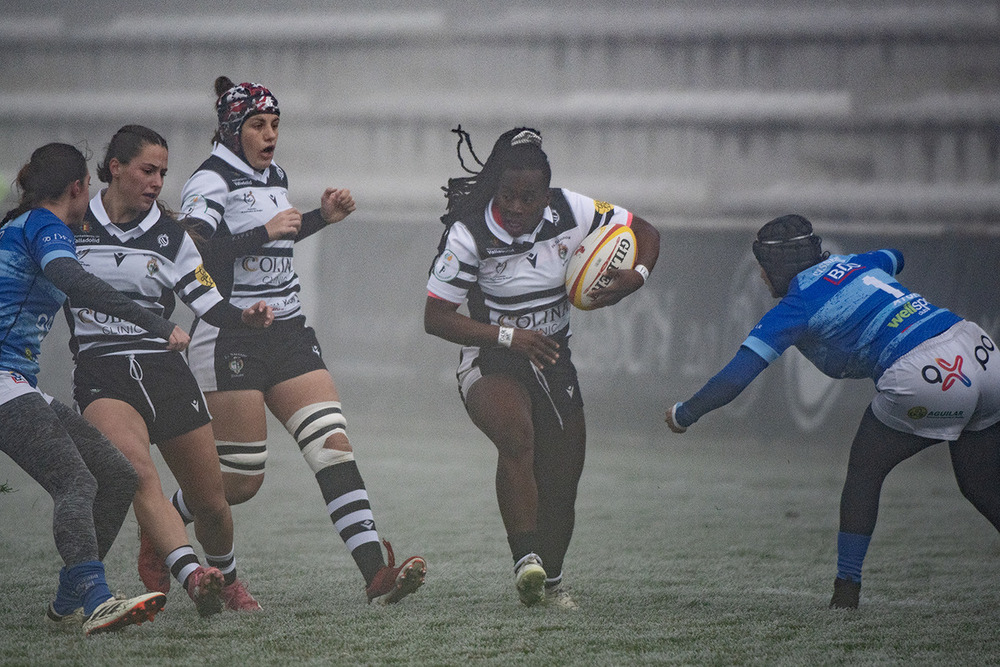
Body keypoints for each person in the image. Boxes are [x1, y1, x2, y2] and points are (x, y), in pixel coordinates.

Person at [664, 213, 1000, 609]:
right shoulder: (862, 262)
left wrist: (684, 414)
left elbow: (734, 379)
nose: (760, 278)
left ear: (777, 267)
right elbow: (896, 256)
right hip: (980, 351)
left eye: (762, 269)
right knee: (980, 482)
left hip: (927, 373)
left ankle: (846, 591)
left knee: (864, 470)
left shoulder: (796, 306)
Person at [174, 76, 425, 604]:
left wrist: (320, 219)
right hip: (232, 336)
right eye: (258, 125)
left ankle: (374, 574)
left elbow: (278, 232)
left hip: (288, 332)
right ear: (231, 128)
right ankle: (164, 528)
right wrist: (262, 233)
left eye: (275, 125)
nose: (270, 135)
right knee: (241, 481)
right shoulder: (209, 181)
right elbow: (191, 255)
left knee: (333, 447)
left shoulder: (274, 173)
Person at [424, 126, 660, 608]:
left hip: (553, 360)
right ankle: (525, 560)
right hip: (492, 359)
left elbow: (644, 231)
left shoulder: (571, 209)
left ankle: (550, 583)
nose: (514, 206)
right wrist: (512, 337)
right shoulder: (468, 234)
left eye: (527, 198)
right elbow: (436, 319)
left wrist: (635, 276)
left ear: (545, 195)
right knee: (516, 435)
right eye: (506, 195)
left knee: (563, 482)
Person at [66, 125, 275, 616]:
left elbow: (207, 300)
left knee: (211, 503)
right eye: (147, 170)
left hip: (165, 370)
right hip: (102, 371)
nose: (158, 181)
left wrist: (243, 316)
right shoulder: (71, 226)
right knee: (136, 470)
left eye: (163, 172)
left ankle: (226, 576)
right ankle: (193, 574)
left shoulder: (171, 234)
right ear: (115, 168)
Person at [0, 143, 179, 635]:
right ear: (77, 189)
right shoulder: (45, 225)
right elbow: (72, 280)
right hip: (3, 384)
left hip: (17, 385)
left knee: (116, 476)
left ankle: (69, 593)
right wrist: (156, 324)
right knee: (76, 483)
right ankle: (97, 597)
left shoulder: (23, 227)